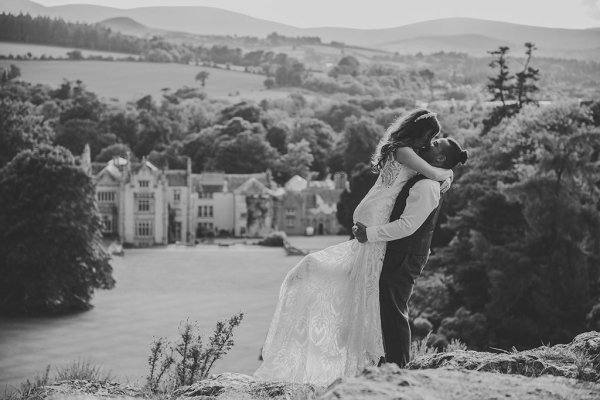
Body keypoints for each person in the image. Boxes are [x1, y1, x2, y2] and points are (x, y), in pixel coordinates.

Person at [254, 109, 453, 386]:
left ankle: (372, 356)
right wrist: (451, 172)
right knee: (370, 286)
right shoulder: (407, 152)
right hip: (376, 216)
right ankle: (375, 357)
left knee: (368, 283)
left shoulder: (399, 147)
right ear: (422, 134)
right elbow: (435, 172)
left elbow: (431, 172)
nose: (429, 144)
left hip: (372, 210)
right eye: (431, 138)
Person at [352, 137, 469, 367]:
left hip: (406, 255)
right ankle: (388, 364)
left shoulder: (427, 186)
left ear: (441, 158)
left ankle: (399, 369)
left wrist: (370, 234)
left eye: (436, 144)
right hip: (402, 252)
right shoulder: (428, 175)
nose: (429, 143)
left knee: (394, 311)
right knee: (388, 308)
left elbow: (408, 226)